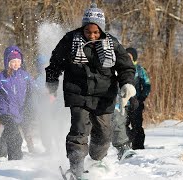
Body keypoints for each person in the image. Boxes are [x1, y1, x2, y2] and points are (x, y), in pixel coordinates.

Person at [45, 2, 136, 178]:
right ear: (83, 27)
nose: (92, 36)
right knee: (79, 130)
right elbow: (55, 64)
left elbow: (126, 67)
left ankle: (96, 159)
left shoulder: (112, 43)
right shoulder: (70, 40)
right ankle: (76, 167)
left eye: (96, 32)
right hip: (77, 93)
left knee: (104, 133)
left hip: (104, 95)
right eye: (88, 32)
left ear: (101, 29)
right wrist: (52, 85)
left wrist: (127, 84)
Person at [125, 47, 151, 150]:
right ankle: (126, 144)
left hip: (136, 103)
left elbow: (147, 84)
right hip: (123, 104)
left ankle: (138, 147)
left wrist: (142, 96)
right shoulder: (119, 69)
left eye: (129, 57)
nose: (127, 58)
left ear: (134, 58)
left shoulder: (140, 70)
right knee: (122, 126)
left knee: (137, 125)